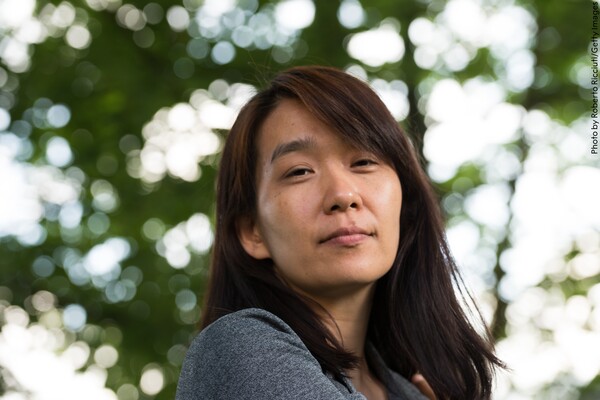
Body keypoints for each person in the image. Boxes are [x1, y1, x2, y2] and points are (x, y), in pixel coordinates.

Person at [176, 66, 504, 400]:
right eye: (300, 171)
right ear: (253, 231)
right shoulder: (239, 348)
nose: (343, 195)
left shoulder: (411, 392)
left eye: (363, 162)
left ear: (402, 206)